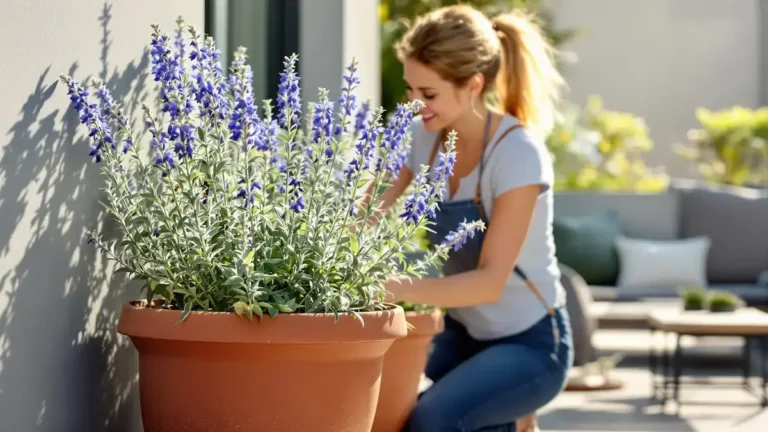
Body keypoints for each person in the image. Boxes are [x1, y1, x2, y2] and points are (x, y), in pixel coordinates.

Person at [374, 5, 574, 432]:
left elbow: (489, 282)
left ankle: (515, 415)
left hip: (532, 342)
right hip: (462, 339)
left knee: (434, 422)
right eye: (410, 89)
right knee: (387, 417)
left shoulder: (516, 154)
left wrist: (390, 288)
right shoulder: (418, 135)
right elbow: (364, 214)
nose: (415, 104)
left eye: (429, 94)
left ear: (473, 85)